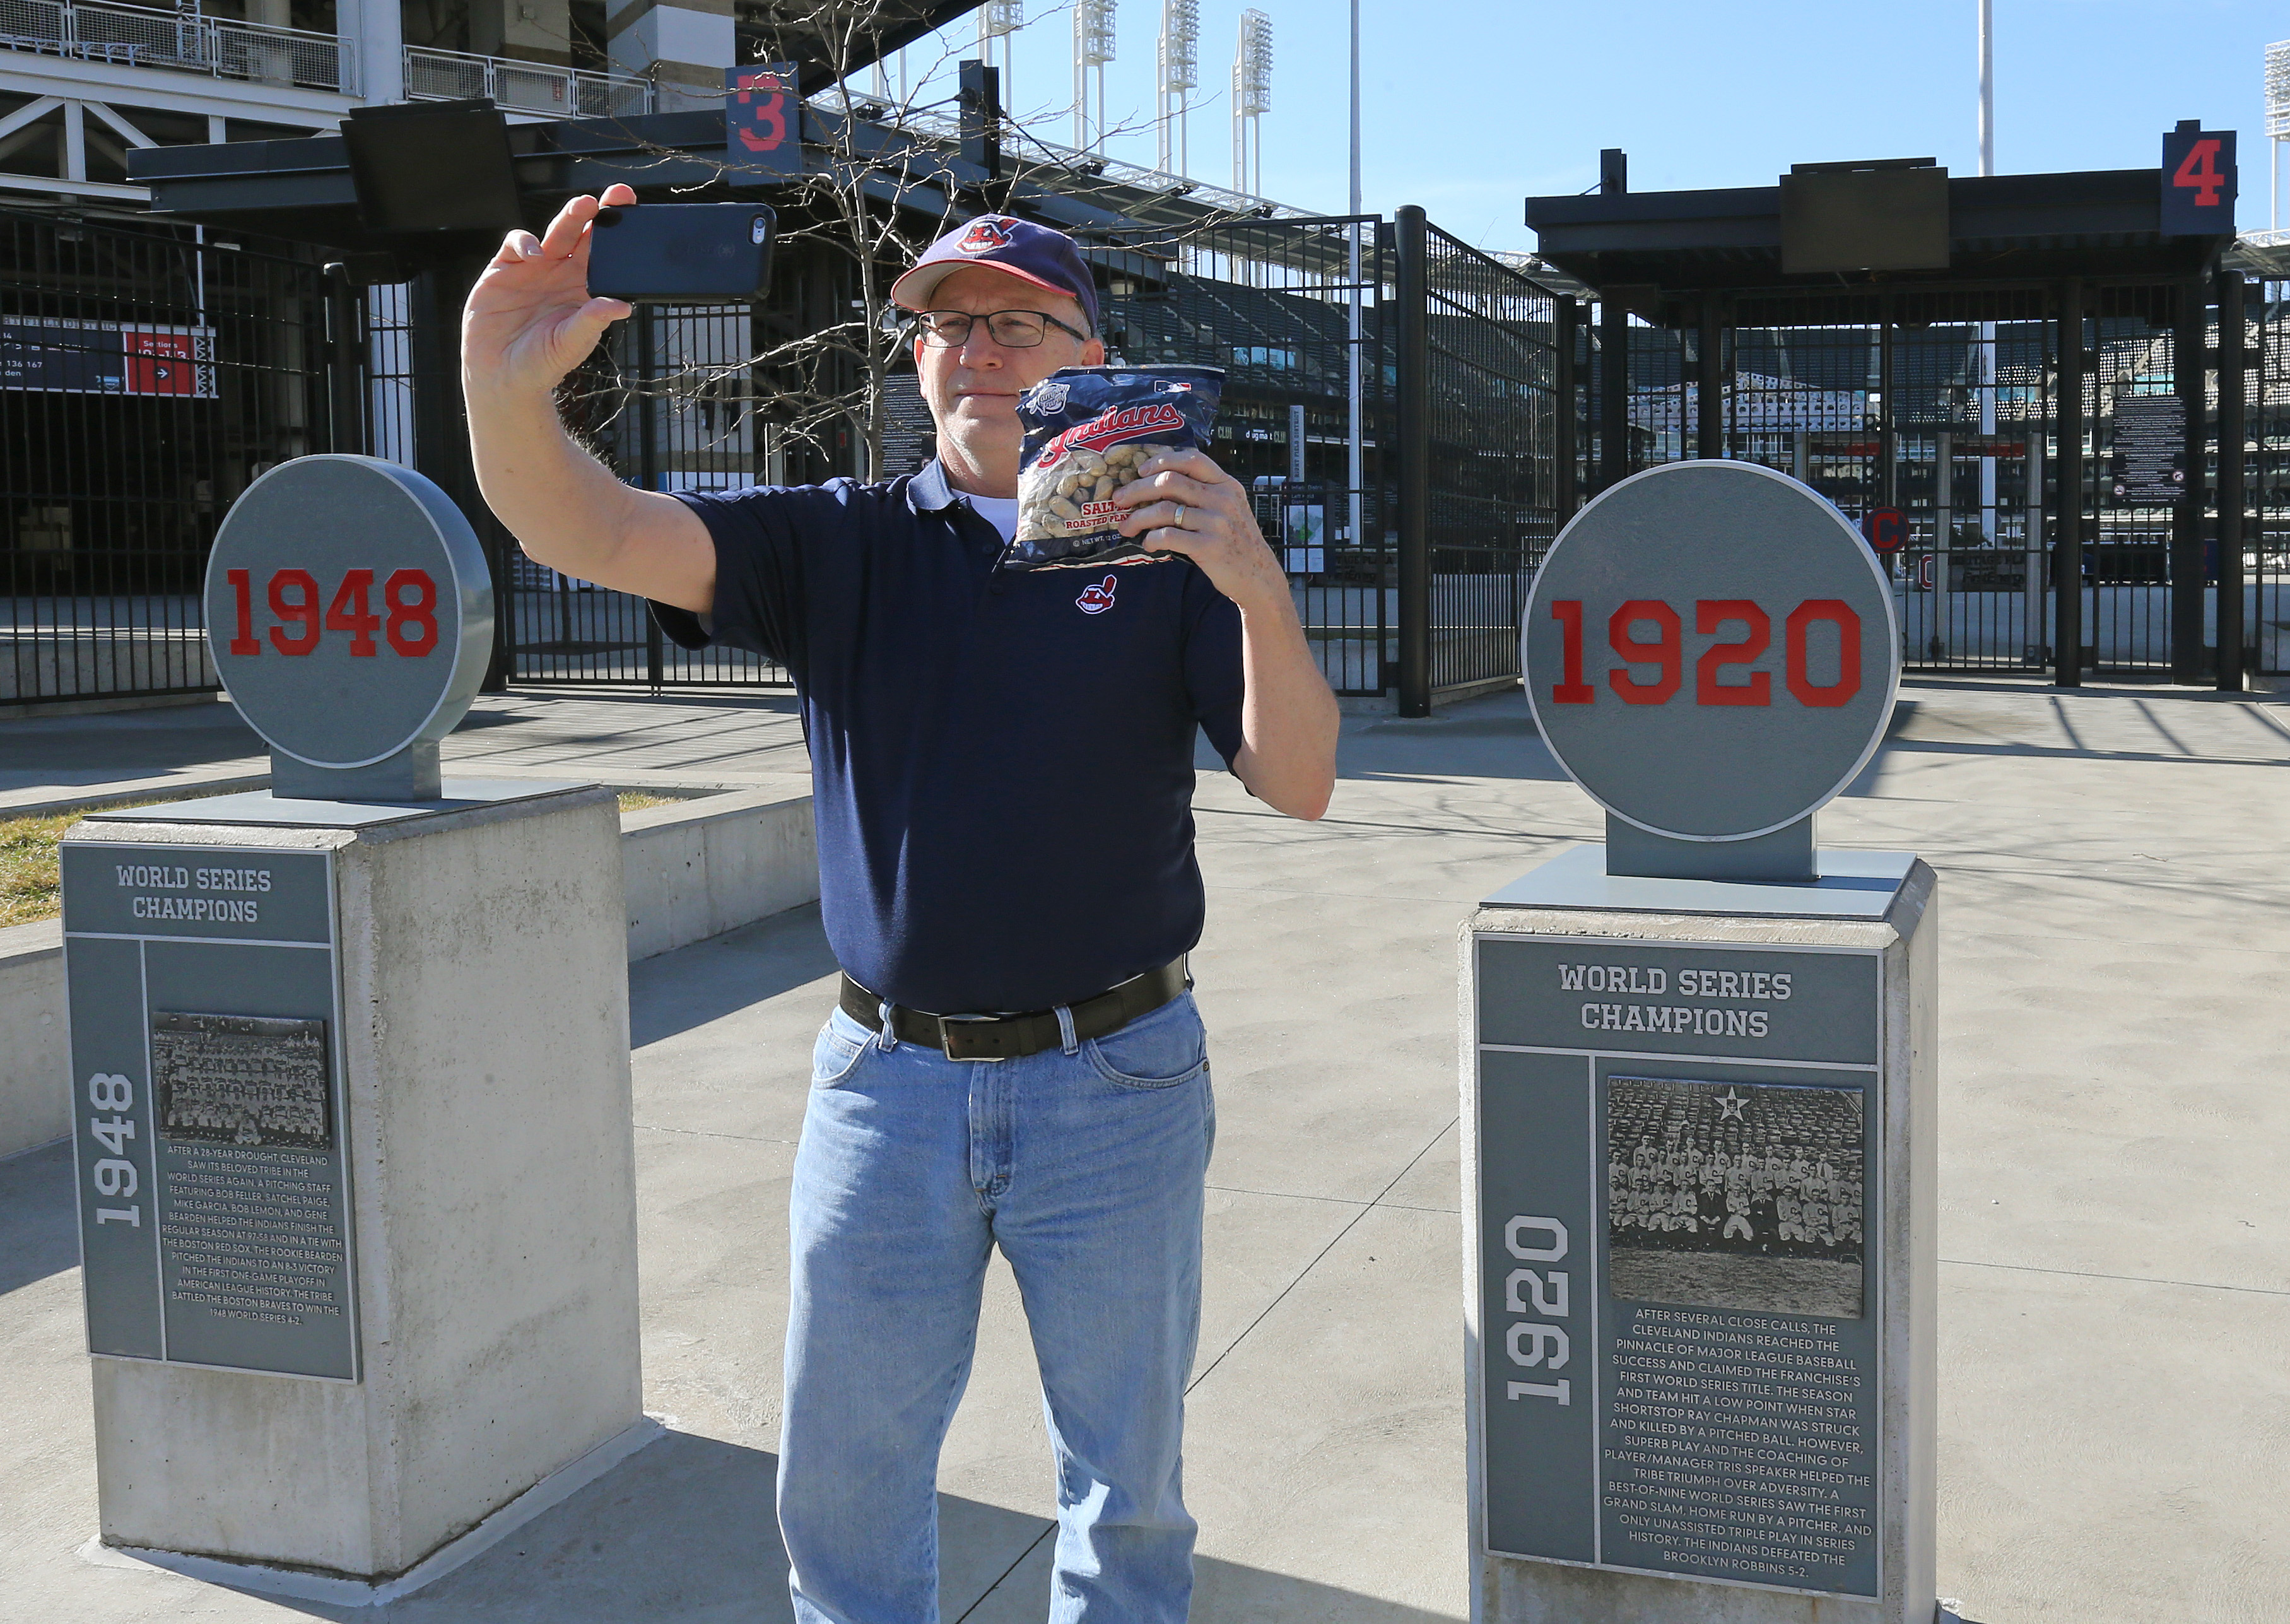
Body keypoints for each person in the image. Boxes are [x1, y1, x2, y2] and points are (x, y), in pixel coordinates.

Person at [461, 190, 1340, 1622]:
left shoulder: (1175, 542)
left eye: (1011, 320)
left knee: (1128, 1504)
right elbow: (594, 530)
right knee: (847, 1500)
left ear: (1091, 347)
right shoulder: (838, 542)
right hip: (886, 1087)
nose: (972, 348)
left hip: (1115, 1079)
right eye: (940, 324)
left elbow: (1298, 782)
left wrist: (1252, 585)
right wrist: (502, 392)